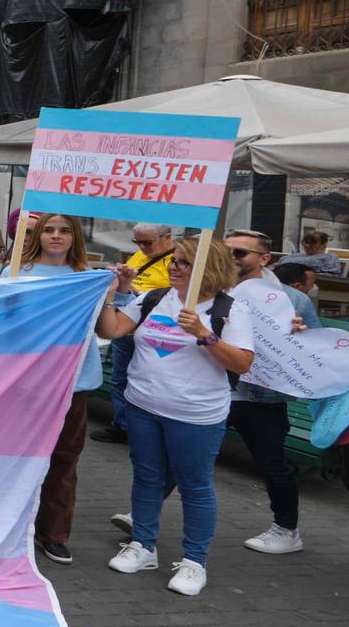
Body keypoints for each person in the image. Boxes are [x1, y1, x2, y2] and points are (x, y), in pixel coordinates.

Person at [96, 236, 257, 596]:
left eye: (183, 262)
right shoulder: (154, 298)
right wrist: (113, 292)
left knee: (195, 487)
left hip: (195, 414)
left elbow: (243, 363)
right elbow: (112, 330)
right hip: (143, 406)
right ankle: (143, 546)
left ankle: (194, 562)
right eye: (174, 261)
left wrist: (204, 334)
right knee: (147, 477)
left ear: (207, 267)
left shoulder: (229, 309)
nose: (173, 267)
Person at [222, 229, 322, 557]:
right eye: (227, 252)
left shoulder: (294, 300)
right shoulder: (211, 287)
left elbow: (313, 350)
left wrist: (299, 334)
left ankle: (286, 529)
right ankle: (143, 518)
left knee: (271, 463)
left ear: (264, 259)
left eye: (240, 253)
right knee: (182, 452)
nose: (231, 259)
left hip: (261, 395)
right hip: (214, 387)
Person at [10, 213, 97, 566]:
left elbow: (110, 325)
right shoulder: (16, 273)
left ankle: (54, 534)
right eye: (48, 230)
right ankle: (10, 528)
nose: (56, 236)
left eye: (64, 230)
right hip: (26, 384)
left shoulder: (88, 278)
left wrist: (114, 291)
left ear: (75, 236)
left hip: (74, 384)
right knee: (16, 459)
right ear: (37, 234)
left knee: (63, 462)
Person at [98, 222, 179, 445]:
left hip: (157, 331)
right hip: (126, 326)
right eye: (138, 242)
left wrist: (138, 292)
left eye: (147, 242)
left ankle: (148, 430)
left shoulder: (177, 261)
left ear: (167, 237)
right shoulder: (139, 256)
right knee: (120, 378)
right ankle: (122, 425)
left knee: (151, 379)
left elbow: (178, 296)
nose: (142, 247)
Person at [277, 229, 342, 276]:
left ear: (323, 244)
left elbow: (332, 276)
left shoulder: (329, 258)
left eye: (312, 243)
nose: (307, 245)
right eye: (305, 242)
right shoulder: (294, 256)